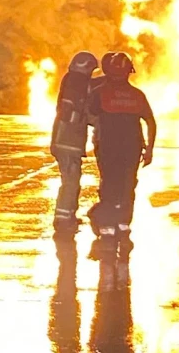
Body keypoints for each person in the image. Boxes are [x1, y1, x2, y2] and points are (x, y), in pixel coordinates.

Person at [87, 51, 156, 247]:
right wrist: (150, 149)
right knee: (128, 185)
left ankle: (107, 225)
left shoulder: (99, 93)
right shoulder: (137, 95)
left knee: (109, 184)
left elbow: (89, 116)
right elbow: (150, 121)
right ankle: (124, 224)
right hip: (132, 149)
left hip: (107, 148)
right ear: (129, 71)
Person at [51, 51, 99, 233]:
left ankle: (68, 215)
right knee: (70, 181)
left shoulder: (73, 80)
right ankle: (63, 219)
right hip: (68, 142)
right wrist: (92, 119)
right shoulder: (76, 82)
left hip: (68, 141)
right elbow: (71, 110)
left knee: (72, 180)